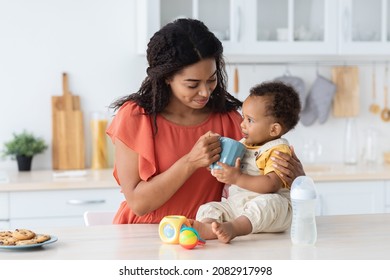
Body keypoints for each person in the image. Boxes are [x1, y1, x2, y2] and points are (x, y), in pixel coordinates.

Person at [106, 18, 305, 224]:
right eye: (192, 84)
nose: (205, 92)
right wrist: (191, 161)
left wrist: (296, 178)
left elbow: (258, 184)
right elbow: (138, 203)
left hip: (206, 235)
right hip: (141, 235)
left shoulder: (229, 121)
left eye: (211, 80)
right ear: (167, 78)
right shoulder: (135, 118)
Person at [193, 81, 301, 243]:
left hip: (271, 209)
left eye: (250, 120)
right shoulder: (244, 144)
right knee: (210, 207)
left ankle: (235, 228)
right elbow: (234, 171)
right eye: (243, 117)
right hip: (240, 206)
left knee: (269, 203)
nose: (242, 124)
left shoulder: (278, 150)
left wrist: (236, 178)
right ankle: (210, 227)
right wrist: (221, 169)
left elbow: (271, 185)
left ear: (274, 130)